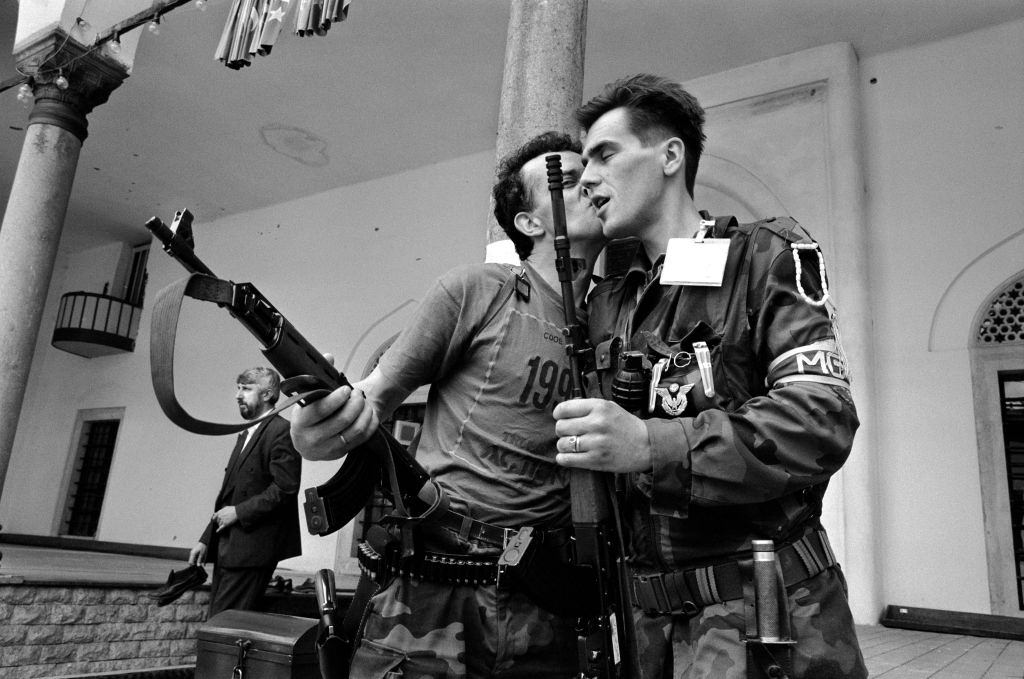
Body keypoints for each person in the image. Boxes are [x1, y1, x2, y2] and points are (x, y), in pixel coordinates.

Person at [552, 74, 867, 679]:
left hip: (768, 617)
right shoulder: (606, 301)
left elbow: (820, 421)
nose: (587, 177)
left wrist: (650, 444)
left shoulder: (762, 256)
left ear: (671, 155)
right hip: (646, 630)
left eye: (605, 154)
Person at [290, 131, 605, 678]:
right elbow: (373, 397)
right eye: (568, 182)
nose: (590, 186)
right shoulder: (476, 290)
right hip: (436, 588)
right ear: (530, 224)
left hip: (546, 598)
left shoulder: (618, 321)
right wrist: (316, 429)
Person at [189, 366, 303, 617]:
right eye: (238, 388)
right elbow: (229, 495)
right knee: (217, 625)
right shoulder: (245, 435)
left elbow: (285, 488)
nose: (238, 395)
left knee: (224, 626)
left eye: (247, 389)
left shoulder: (281, 431)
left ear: (267, 394)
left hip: (253, 552)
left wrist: (239, 513)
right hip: (228, 550)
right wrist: (206, 539)